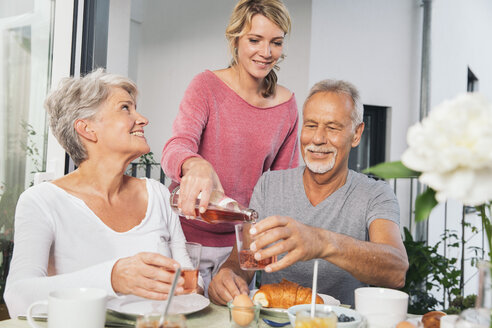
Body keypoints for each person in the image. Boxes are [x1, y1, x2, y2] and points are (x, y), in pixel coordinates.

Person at [4, 69, 201, 318]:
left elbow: (190, 281)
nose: (142, 119)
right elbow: (18, 296)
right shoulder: (41, 201)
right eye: (125, 108)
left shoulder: (158, 194)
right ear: (87, 129)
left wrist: (195, 287)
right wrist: (113, 277)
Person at [208, 79, 409, 306]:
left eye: (332, 127)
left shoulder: (375, 194)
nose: (318, 138)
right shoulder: (270, 185)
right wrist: (228, 275)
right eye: (311, 125)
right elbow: (244, 261)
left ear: (356, 134)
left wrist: (323, 242)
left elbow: (397, 270)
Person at [161, 0, 299, 294]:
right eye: (254, 40)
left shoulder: (287, 105)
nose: (266, 52)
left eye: (276, 42)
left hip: (241, 249)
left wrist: (248, 253)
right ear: (235, 39)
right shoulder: (205, 86)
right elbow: (176, 145)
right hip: (184, 243)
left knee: (239, 318)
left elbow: (279, 186)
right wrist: (195, 164)